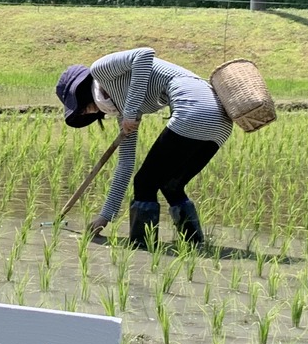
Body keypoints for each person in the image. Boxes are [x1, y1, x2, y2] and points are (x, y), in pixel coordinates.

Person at [56, 49, 231, 249]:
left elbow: (144, 54)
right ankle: (195, 245)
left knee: (144, 183)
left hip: (194, 108)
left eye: (79, 105)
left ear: (82, 90)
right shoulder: (123, 113)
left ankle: (142, 250)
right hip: (221, 121)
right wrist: (105, 217)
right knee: (171, 185)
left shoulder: (101, 70)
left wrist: (130, 112)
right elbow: (125, 164)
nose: (84, 112)